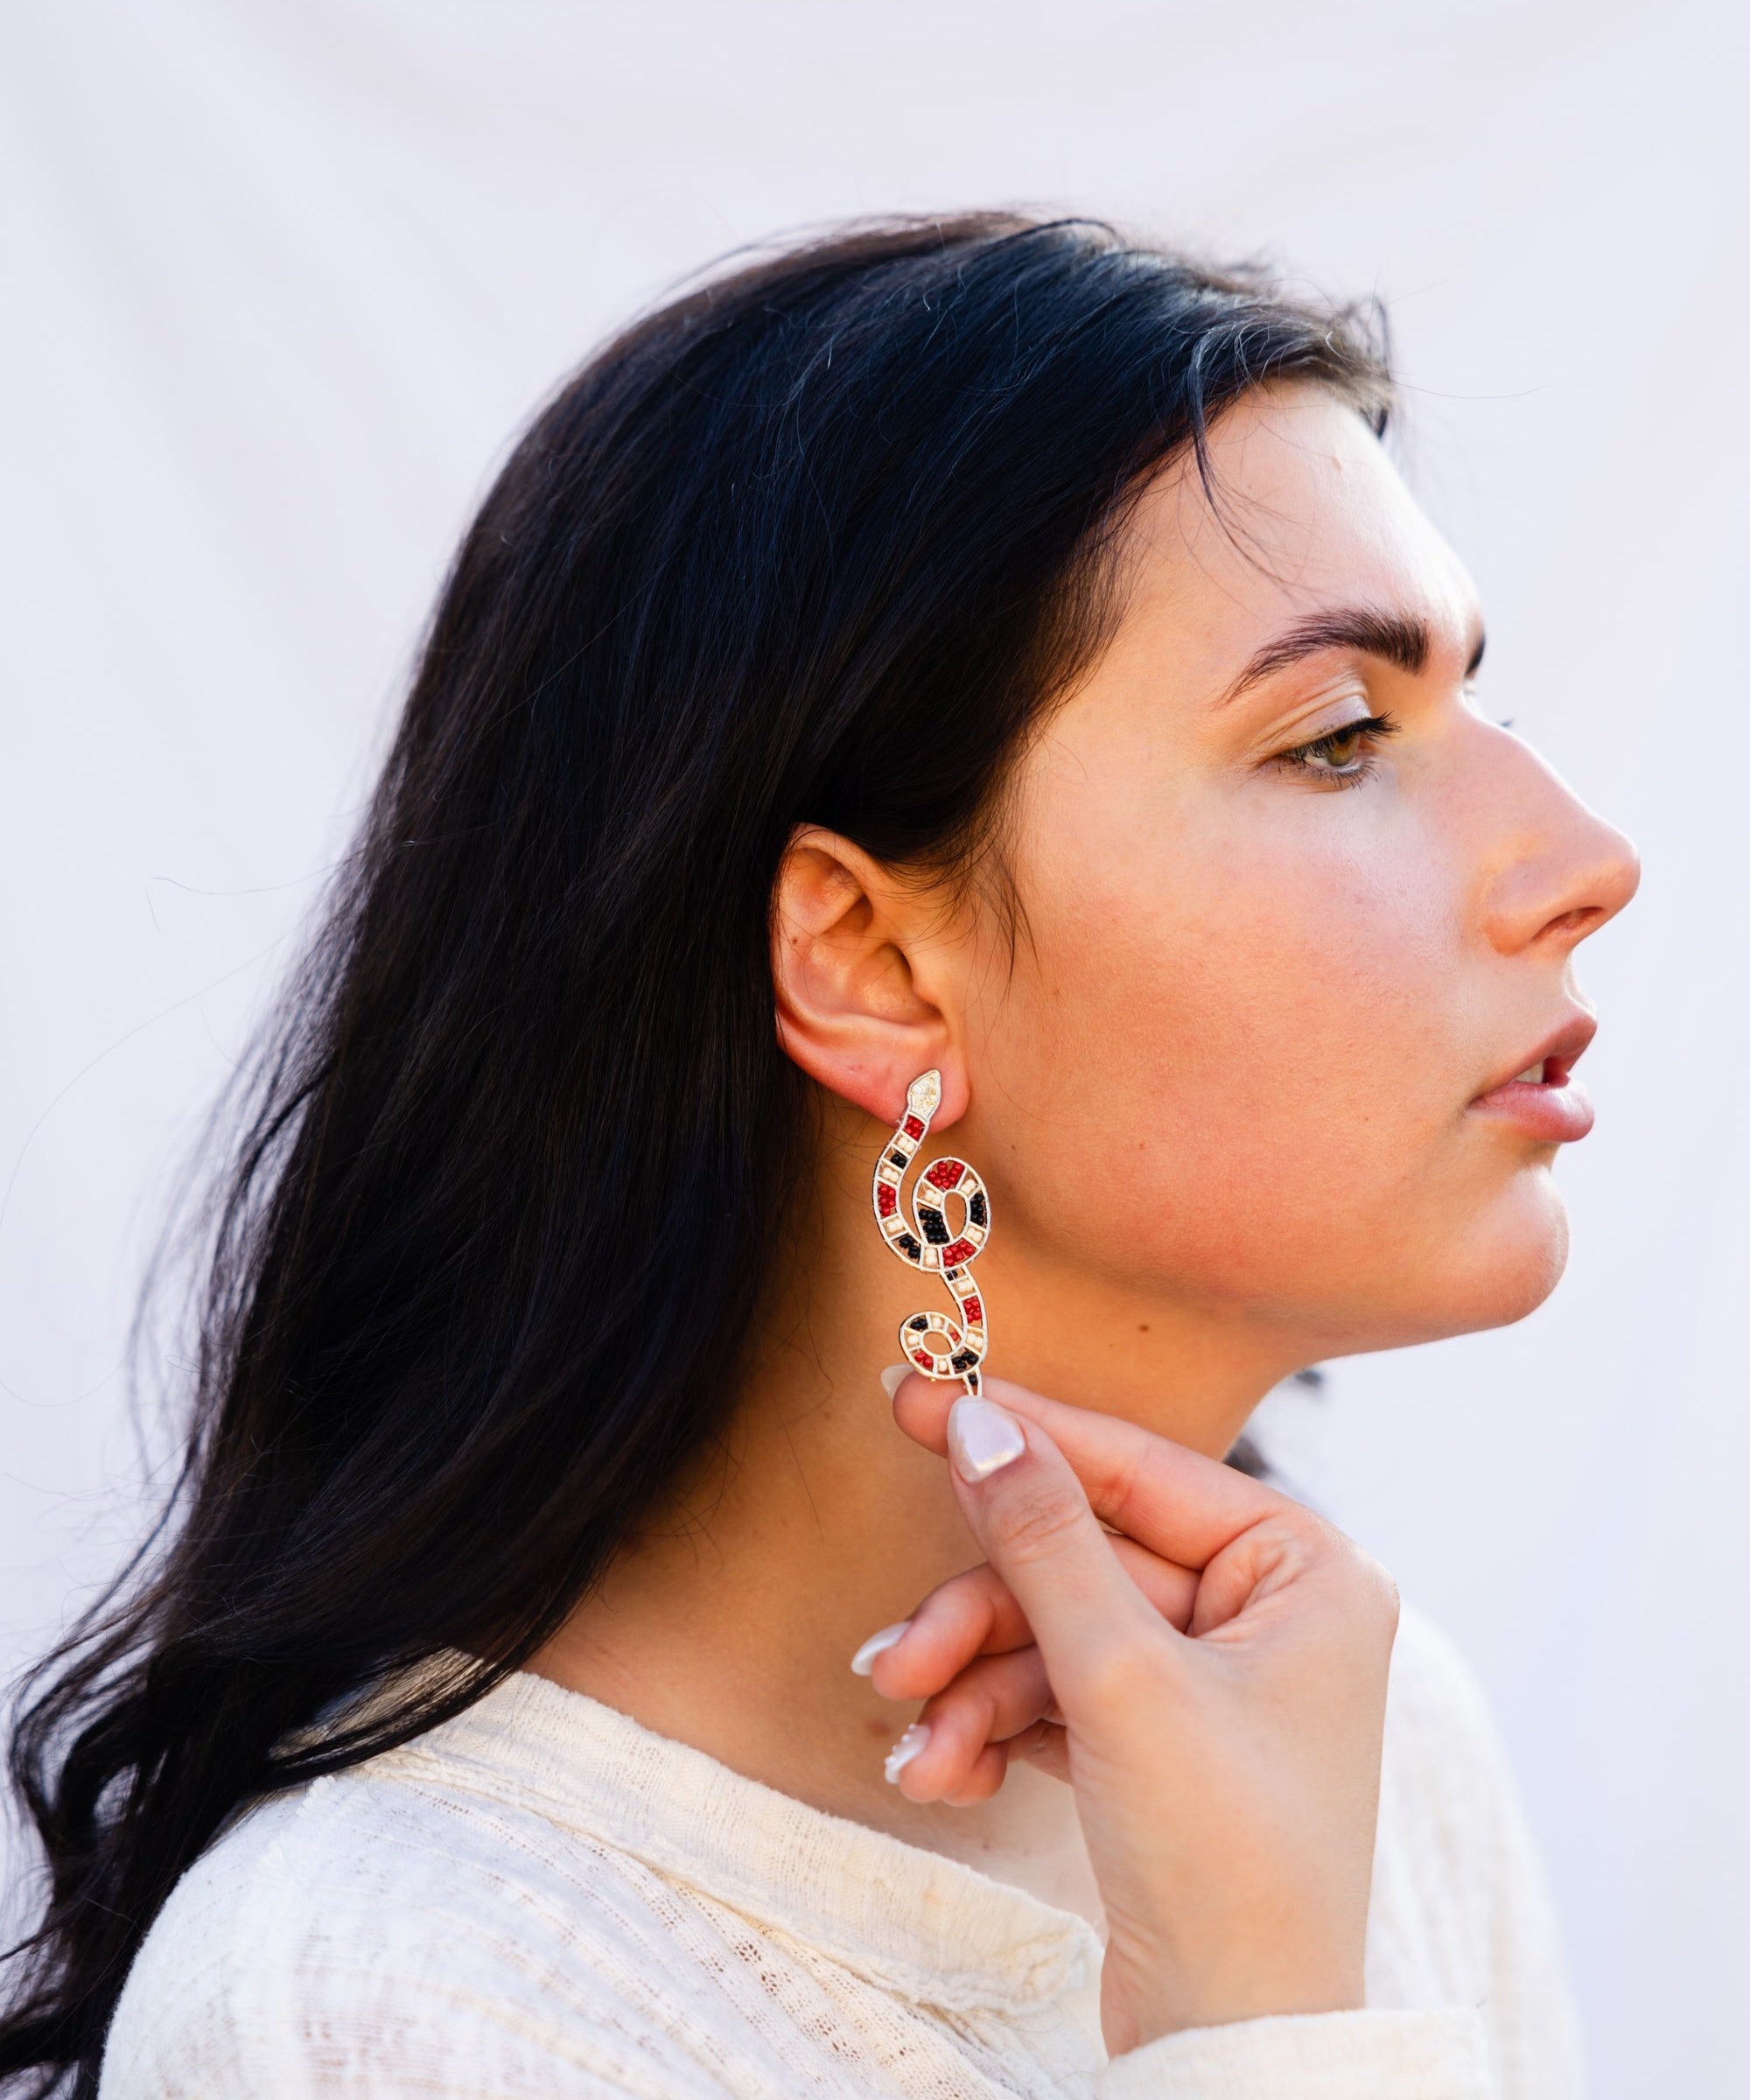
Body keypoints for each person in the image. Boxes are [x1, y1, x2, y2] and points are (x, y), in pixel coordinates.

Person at [0, 214, 1638, 2098]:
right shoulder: (399, 2003)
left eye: (1473, 706)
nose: (1586, 856)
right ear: (869, 965)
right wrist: (1262, 2022)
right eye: (1340, 736)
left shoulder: (1357, 1725)